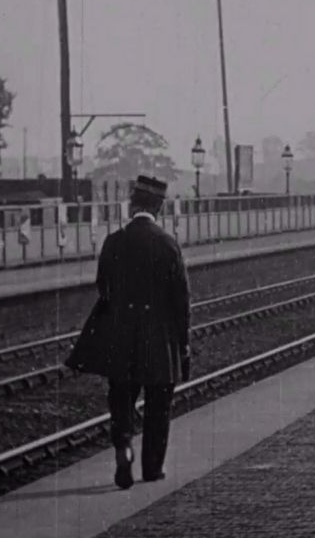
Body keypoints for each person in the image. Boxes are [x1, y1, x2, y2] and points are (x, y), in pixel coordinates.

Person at [91, 175, 192, 489]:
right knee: (159, 405)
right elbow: (181, 298)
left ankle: (123, 444)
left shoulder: (114, 241)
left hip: (122, 337)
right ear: (159, 208)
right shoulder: (168, 244)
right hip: (159, 340)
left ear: (133, 205)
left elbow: (102, 287)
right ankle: (152, 468)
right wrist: (183, 341)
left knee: (121, 397)